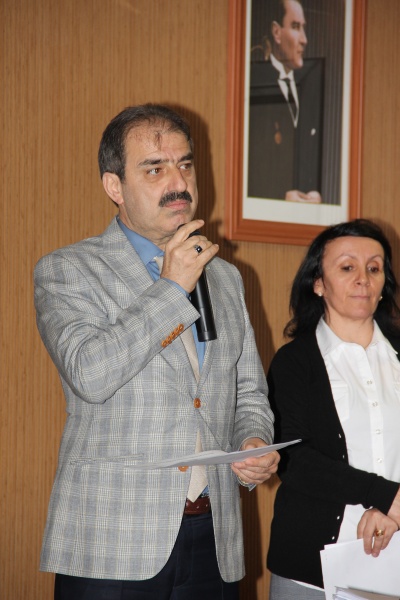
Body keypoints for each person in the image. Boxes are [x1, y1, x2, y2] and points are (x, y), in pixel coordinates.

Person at [34, 103, 280, 600]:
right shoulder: (68, 270)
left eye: (185, 164)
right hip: (112, 542)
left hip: (213, 537)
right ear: (114, 186)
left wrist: (253, 441)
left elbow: (249, 391)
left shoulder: (225, 277)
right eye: (155, 168)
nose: (178, 182)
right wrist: (171, 288)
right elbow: (91, 373)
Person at [266, 219, 400, 599]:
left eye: (374, 268)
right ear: (318, 283)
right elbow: (294, 459)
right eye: (347, 267)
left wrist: (393, 512)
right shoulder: (294, 362)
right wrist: (385, 496)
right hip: (311, 571)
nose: (363, 279)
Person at [248, 0, 323, 203]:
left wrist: (316, 192)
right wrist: (280, 196)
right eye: (296, 27)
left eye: (303, 28)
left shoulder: (309, 86)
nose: (304, 40)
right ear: (277, 32)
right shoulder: (254, 83)